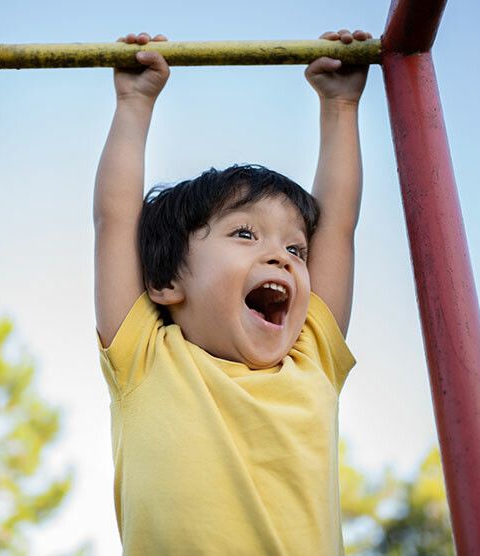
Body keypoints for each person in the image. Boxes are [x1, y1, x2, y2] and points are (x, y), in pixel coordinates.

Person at [94, 29, 370, 555]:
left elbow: (336, 227)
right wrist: (133, 103)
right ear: (166, 282)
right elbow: (115, 220)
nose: (280, 256)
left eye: (295, 249)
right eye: (245, 234)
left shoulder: (311, 357)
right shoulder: (147, 360)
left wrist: (340, 106)